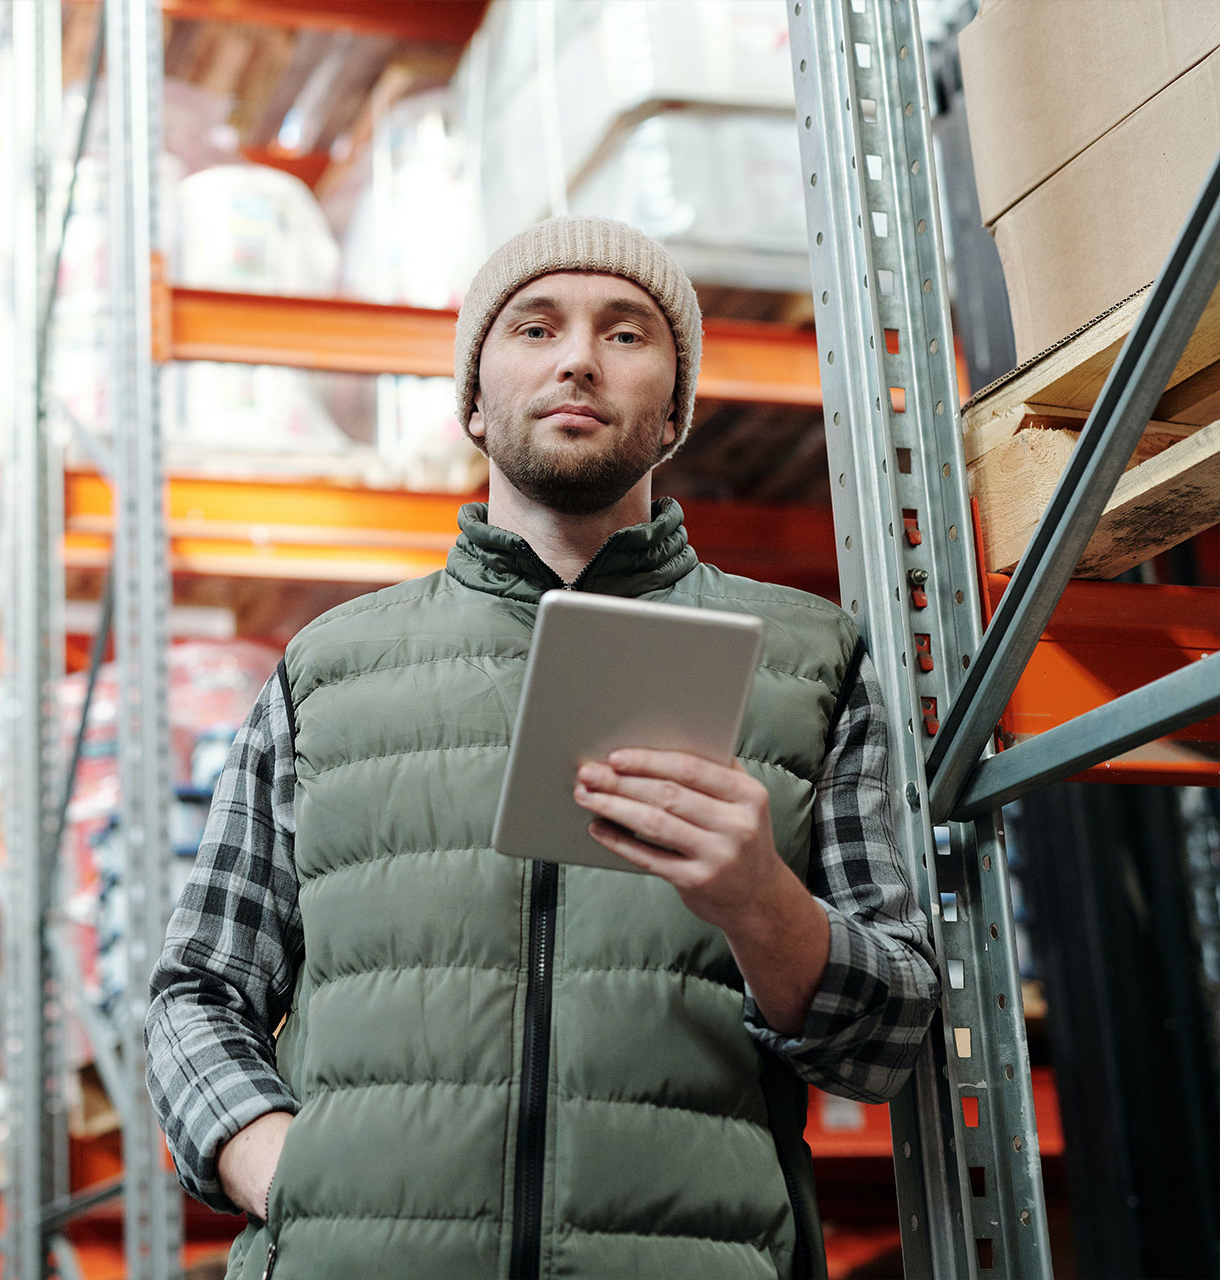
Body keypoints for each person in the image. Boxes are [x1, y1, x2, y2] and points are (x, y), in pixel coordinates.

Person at [145, 216, 939, 1280]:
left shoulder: (809, 662)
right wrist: (280, 1166)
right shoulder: (329, 669)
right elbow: (199, 985)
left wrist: (762, 901)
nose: (577, 356)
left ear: (674, 410)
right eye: (533, 326)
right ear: (473, 400)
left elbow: (886, 1040)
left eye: (625, 333)